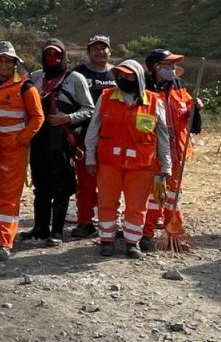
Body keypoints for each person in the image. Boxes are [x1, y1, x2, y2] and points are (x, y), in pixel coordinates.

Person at [84, 60, 171, 259]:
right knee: (106, 203)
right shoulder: (106, 97)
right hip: (109, 164)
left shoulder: (154, 101)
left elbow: (163, 136)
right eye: (120, 75)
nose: (123, 78)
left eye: (128, 75)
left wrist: (166, 166)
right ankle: (106, 240)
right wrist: (90, 157)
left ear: (139, 77)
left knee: (137, 206)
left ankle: (132, 243)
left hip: (141, 166)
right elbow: (93, 130)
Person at [0, 42, 44, 260]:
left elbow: (38, 117)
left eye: (8, 61)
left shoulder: (26, 87)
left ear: (15, 64)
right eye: (0, 60)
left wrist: (21, 139)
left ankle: (5, 241)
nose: (4, 64)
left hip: (12, 148)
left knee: (8, 195)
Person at [26, 40, 94, 246]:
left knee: (62, 187)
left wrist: (68, 118)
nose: (52, 59)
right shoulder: (35, 77)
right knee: (41, 186)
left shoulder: (75, 79)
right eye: (48, 55)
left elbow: (89, 109)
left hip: (63, 141)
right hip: (39, 140)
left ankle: (56, 231)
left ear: (64, 57)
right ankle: (40, 229)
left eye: (56, 55)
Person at [142, 48, 202, 250]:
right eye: (169, 64)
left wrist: (195, 107)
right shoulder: (144, 89)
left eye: (174, 64)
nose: (173, 68)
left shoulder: (178, 84)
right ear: (156, 67)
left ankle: (173, 231)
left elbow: (186, 114)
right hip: (155, 151)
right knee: (156, 192)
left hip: (178, 150)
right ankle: (146, 233)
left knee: (174, 194)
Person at [70, 35, 117, 238]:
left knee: (113, 183)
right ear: (88, 52)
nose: (99, 51)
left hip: (113, 137)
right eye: (94, 48)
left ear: (110, 51)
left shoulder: (119, 74)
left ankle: (111, 222)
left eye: (103, 48)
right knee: (86, 182)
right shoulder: (78, 73)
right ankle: (85, 221)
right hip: (84, 137)